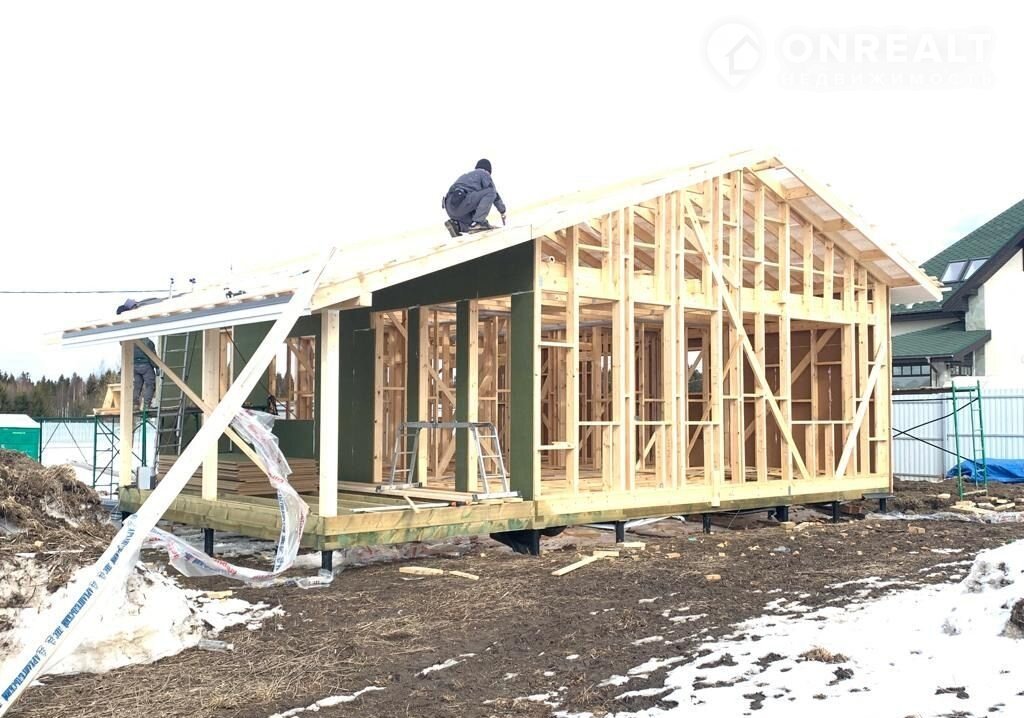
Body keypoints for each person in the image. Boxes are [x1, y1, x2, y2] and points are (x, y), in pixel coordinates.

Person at [443, 158, 507, 235]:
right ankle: (478, 223)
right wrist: (502, 211)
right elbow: (494, 194)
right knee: (490, 192)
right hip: (461, 203)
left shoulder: (466, 176)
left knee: (473, 224)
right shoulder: (483, 173)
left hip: (450, 207)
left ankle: (457, 226)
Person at [132, 338, 158, 411]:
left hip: (134, 366)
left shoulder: (131, 341)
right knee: (150, 385)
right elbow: (153, 357)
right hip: (146, 365)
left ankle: (135, 405)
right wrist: (157, 367)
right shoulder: (148, 342)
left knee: (137, 386)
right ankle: (146, 405)